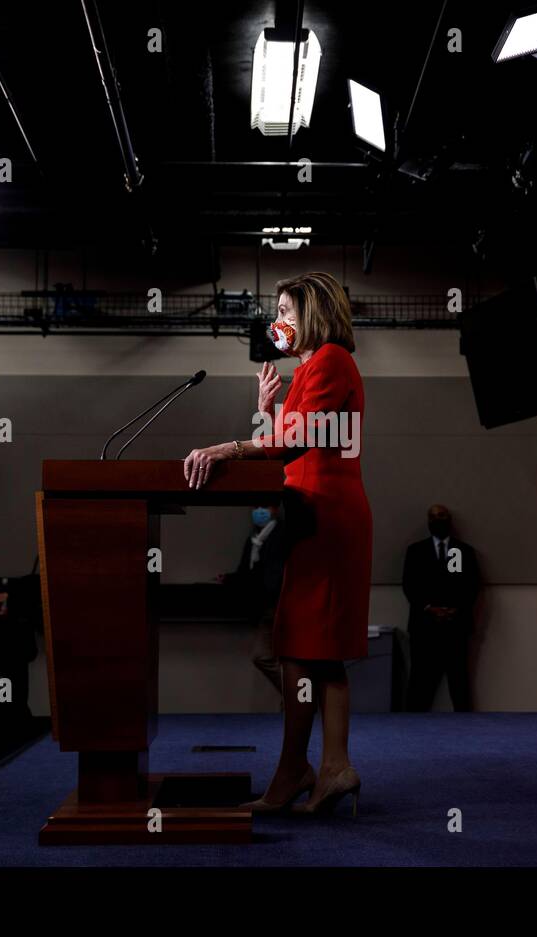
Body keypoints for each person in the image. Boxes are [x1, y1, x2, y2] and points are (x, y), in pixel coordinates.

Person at [184, 271, 371, 816]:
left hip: (325, 520)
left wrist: (230, 445)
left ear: (313, 314)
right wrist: (268, 409)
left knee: (301, 646)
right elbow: (293, 442)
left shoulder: (332, 359)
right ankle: (330, 768)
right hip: (314, 514)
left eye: (288, 311)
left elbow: (294, 444)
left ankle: (301, 771)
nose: (280, 322)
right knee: (317, 649)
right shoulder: (312, 368)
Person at [401, 504, 481, 712]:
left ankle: (468, 732)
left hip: (456, 625)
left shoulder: (465, 551)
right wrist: (429, 608)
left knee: (459, 684)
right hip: (424, 626)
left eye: (442, 515)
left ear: (450, 519)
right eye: (433, 516)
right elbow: (409, 585)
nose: (437, 520)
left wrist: (456, 609)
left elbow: (472, 585)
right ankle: (411, 732)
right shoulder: (415, 551)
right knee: (419, 684)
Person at [220, 503, 287, 695]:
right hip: (265, 608)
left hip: (283, 606)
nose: (260, 511)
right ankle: (296, 698)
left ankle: (300, 700)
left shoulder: (284, 534)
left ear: (275, 509)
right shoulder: (254, 540)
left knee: (289, 659)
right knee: (262, 656)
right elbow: (247, 572)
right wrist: (229, 579)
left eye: (265, 506)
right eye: (255, 507)